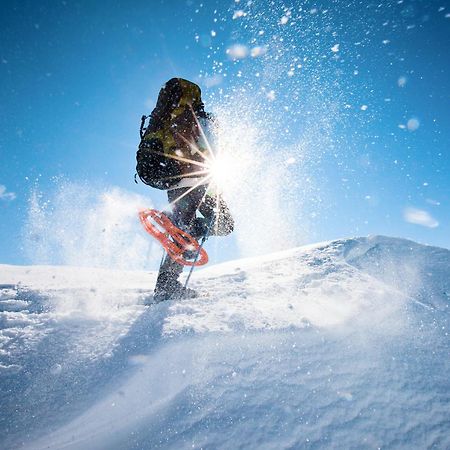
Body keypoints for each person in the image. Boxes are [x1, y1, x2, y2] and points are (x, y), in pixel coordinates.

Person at [137, 78, 234, 301]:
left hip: (179, 183)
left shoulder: (169, 119)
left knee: (192, 230)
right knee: (222, 224)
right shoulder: (202, 119)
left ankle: (168, 280)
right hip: (199, 182)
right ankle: (166, 286)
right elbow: (214, 151)